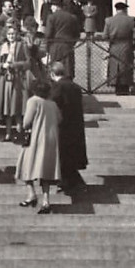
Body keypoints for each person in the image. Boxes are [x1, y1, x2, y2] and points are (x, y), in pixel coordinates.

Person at [15, 79, 61, 215]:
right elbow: (59, 119)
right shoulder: (52, 104)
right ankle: (46, 200)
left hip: (35, 139)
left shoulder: (33, 101)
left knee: (25, 166)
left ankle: (31, 194)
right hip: (50, 140)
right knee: (45, 170)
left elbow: (26, 122)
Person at [49, 61, 87, 194]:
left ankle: (73, 183)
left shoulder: (58, 86)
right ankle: (68, 182)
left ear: (52, 74)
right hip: (76, 126)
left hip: (62, 126)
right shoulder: (75, 86)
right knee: (69, 155)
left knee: (63, 154)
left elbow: (53, 103)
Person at [0, 23, 31, 141]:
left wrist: (15, 65)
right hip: (5, 80)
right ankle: (8, 132)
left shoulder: (22, 46)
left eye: (13, 34)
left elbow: (28, 63)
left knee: (18, 105)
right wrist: (2, 66)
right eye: (9, 34)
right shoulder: (1, 47)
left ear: (17, 34)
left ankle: (20, 130)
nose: (11, 36)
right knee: (7, 106)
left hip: (18, 79)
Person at [102, 2, 135, 95]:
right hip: (127, 47)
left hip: (114, 47)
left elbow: (104, 36)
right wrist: (134, 46)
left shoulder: (109, 20)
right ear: (125, 9)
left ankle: (116, 87)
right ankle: (125, 88)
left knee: (115, 68)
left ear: (116, 9)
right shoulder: (131, 20)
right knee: (126, 68)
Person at [44, 0, 80, 80]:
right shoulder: (72, 17)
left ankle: (55, 88)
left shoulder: (52, 17)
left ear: (55, 6)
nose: (51, 8)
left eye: (52, 6)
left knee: (55, 69)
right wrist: (72, 43)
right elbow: (77, 34)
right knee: (68, 69)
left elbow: (48, 34)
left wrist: (47, 48)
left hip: (55, 45)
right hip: (68, 45)